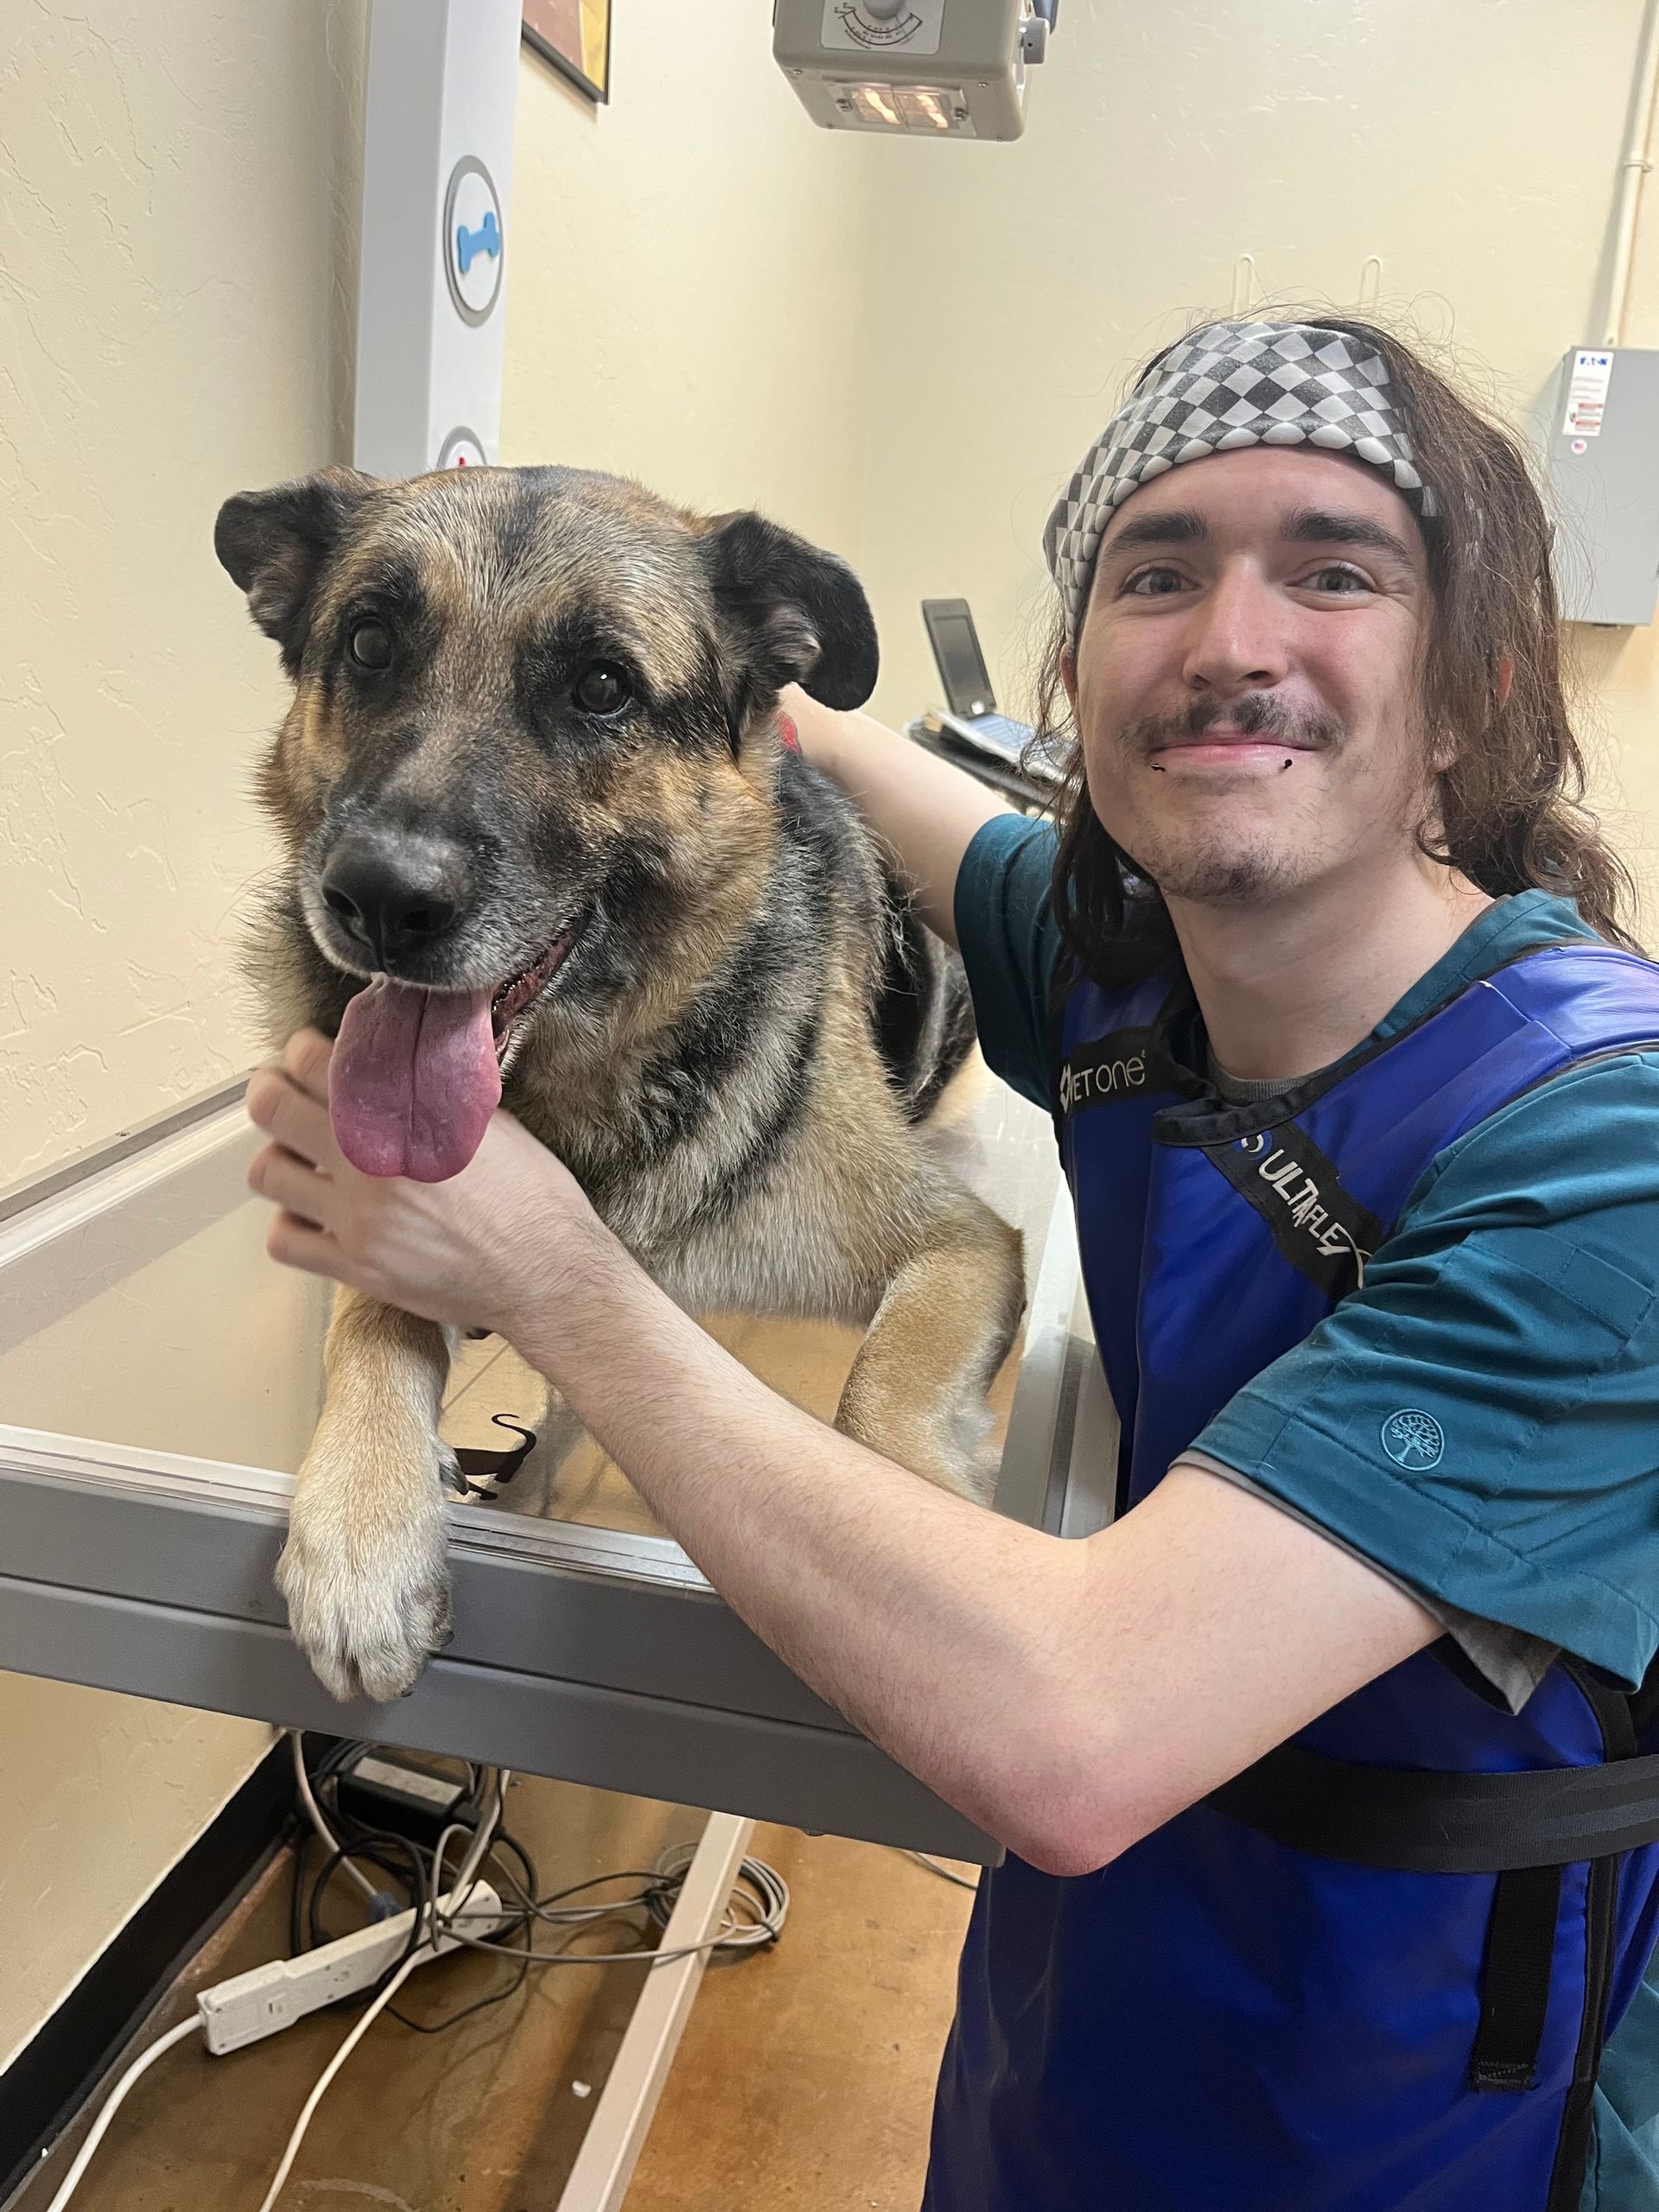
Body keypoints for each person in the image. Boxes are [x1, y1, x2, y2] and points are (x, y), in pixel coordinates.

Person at [245, 317, 1659, 2210]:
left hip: (1416, 2091)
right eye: (1159, 569)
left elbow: (1071, 1736)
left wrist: (551, 1277)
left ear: (1477, 677)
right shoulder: (1137, 974)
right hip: (1069, 2019)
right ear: (1084, 677)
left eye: (1334, 567)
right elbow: (874, 795)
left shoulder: (1605, 1155)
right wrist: (662, 638)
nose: (1233, 638)